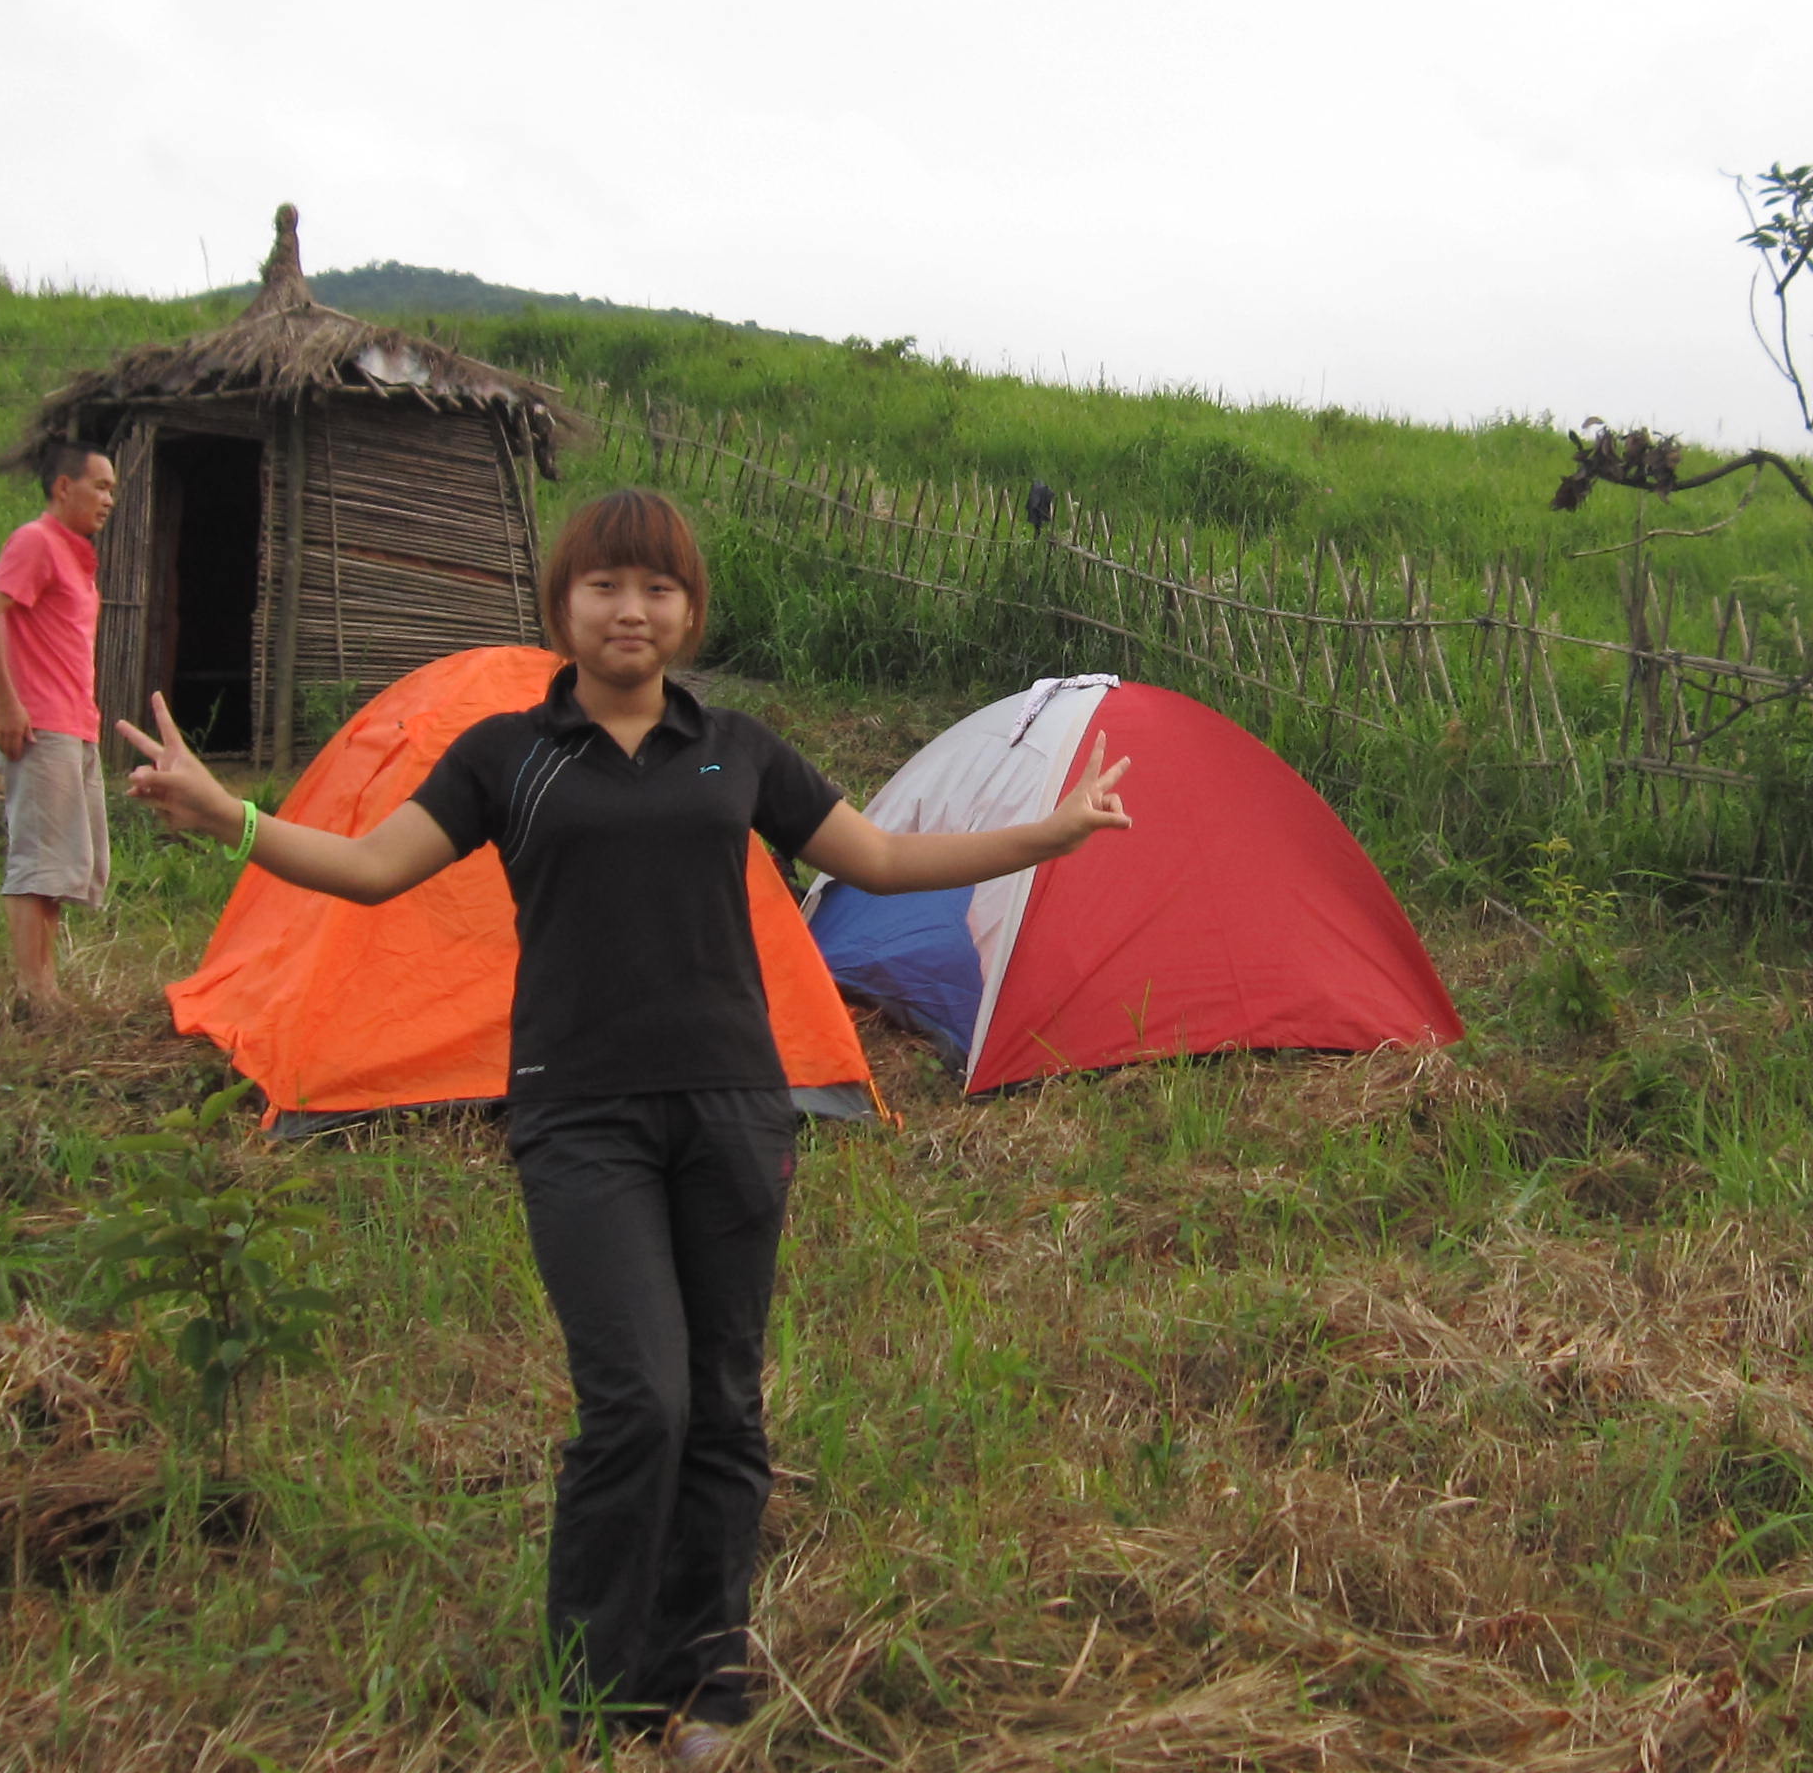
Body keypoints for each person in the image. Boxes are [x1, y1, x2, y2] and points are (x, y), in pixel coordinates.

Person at [116, 488, 1130, 1759]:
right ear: (563, 607)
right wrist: (232, 818)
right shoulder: (505, 755)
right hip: (578, 1114)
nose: (631, 609)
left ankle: (705, 1678)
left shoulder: (739, 749)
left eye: (657, 588)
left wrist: (1056, 831)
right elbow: (374, 870)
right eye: (605, 585)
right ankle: (592, 1693)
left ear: (689, 612)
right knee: (634, 1402)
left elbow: (873, 860)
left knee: (721, 1403)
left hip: (733, 1108)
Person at [0, 442, 117, 1020]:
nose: (108, 499)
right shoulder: (35, 541)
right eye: (99, 486)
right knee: (38, 863)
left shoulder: (73, 556)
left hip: (75, 726)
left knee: (62, 866)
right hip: (41, 725)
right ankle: (35, 994)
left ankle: (45, 988)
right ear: (63, 487)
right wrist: (8, 704)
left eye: (112, 490)